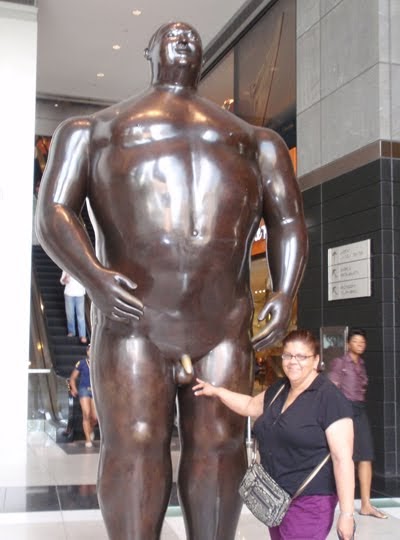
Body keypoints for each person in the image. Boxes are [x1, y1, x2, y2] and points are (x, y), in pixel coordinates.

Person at [35, 21, 308, 540]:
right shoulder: (94, 130)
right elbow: (52, 212)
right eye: (170, 34)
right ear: (149, 52)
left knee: (221, 445)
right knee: (135, 444)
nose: (182, 36)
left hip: (221, 324)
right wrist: (94, 277)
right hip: (135, 322)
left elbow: (288, 221)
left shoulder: (256, 142)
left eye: (190, 34)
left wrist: (284, 288)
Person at [194, 330, 355, 540]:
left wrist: (347, 514)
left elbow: (343, 459)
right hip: (275, 499)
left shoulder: (329, 398)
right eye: (288, 355)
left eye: (301, 356)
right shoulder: (281, 388)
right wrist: (216, 391)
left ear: (316, 360)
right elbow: (250, 405)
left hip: (309, 501)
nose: (293, 362)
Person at [328, 328, 387, 519]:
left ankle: (366, 505)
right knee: (344, 457)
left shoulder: (361, 363)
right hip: (345, 410)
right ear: (348, 344)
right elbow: (331, 390)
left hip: (360, 410)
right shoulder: (339, 362)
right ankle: (341, 503)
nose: (360, 345)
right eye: (356, 341)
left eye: (362, 342)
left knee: (366, 455)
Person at [69, 344, 97, 447]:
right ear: (87, 352)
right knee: (86, 414)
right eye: (89, 350)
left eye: (93, 349)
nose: (91, 351)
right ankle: (88, 440)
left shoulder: (98, 363)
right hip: (84, 390)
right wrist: (73, 388)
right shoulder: (81, 363)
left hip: (95, 391)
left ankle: (90, 429)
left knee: (95, 418)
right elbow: (72, 377)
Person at [60, 270, 87, 344]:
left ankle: (82, 335)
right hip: (69, 293)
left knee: (81, 315)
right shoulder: (66, 268)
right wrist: (65, 279)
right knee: (70, 314)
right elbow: (62, 281)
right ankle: (71, 331)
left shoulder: (82, 269)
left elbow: (87, 280)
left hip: (80, 293)